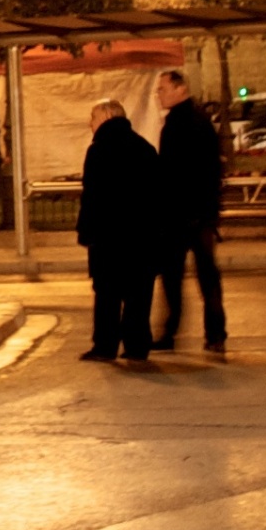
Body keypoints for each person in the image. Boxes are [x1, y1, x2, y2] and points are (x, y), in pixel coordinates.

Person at [153, 70, 230, 357]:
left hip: (180, 215)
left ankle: (170, 332)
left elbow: (170, 174)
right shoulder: (201, 122)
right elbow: (213, 171)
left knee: (173, 275)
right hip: (202, 214)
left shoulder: (177, 126)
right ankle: (215, 334)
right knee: (207, 276)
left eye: (162, 89)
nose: (159, 94)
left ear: (179, 89)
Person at [77, 105, 161, 364]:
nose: (90, 123)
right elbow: (158, 195)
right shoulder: (145, 148)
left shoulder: (98, 150)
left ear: (107, 117)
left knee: (107, 293)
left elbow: (92, 196)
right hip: (142, 236)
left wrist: (86, 231)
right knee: (139, 292)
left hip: (108, 237)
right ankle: (137, 345)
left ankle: (105, 344)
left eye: (93, 117)